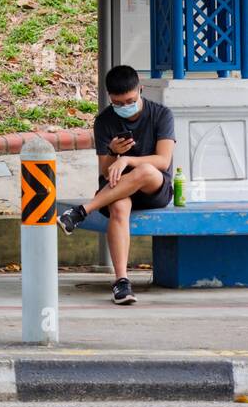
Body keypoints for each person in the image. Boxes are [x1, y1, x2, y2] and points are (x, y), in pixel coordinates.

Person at [57, 64, 175, 305]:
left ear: (140, 90)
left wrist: (128, 159)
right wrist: (112, 153)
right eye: (117, 103)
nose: (124, 107)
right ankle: (122, 282)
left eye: (129, 101)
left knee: (144, 170)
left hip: (154, 187)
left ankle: (82, 212)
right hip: (116, 186)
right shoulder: (104, 121)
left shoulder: (161, 114)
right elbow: (104, 169)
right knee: (119, 208)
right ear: (110, 98)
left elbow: (163, 161)